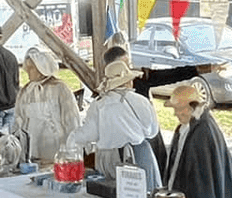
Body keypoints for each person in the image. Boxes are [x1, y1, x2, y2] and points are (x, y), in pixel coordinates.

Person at [162, 82, 232, 198]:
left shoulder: (202, 133)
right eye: (175, 109)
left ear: (193, 107)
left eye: (180, 108)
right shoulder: (186, 128)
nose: (176, 113)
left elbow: (203, 183)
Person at [70, 56, 163, 189]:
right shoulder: (141, 101)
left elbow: (90, 134)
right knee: (141, 196)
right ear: (128, 82)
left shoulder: (99, 104)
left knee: (111, 194)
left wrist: (72, 138)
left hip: (108, 156)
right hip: (138, 153)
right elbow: (152, 131)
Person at [13, 48, 80, 166]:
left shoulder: (60, 89)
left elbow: (71, 120)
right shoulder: (25, 92)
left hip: (55, 146)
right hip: (33, 146)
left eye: (31, 68)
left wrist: (71, 151)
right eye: (27, 68)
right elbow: (18, 119)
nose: (28, 71)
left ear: (41, 69)